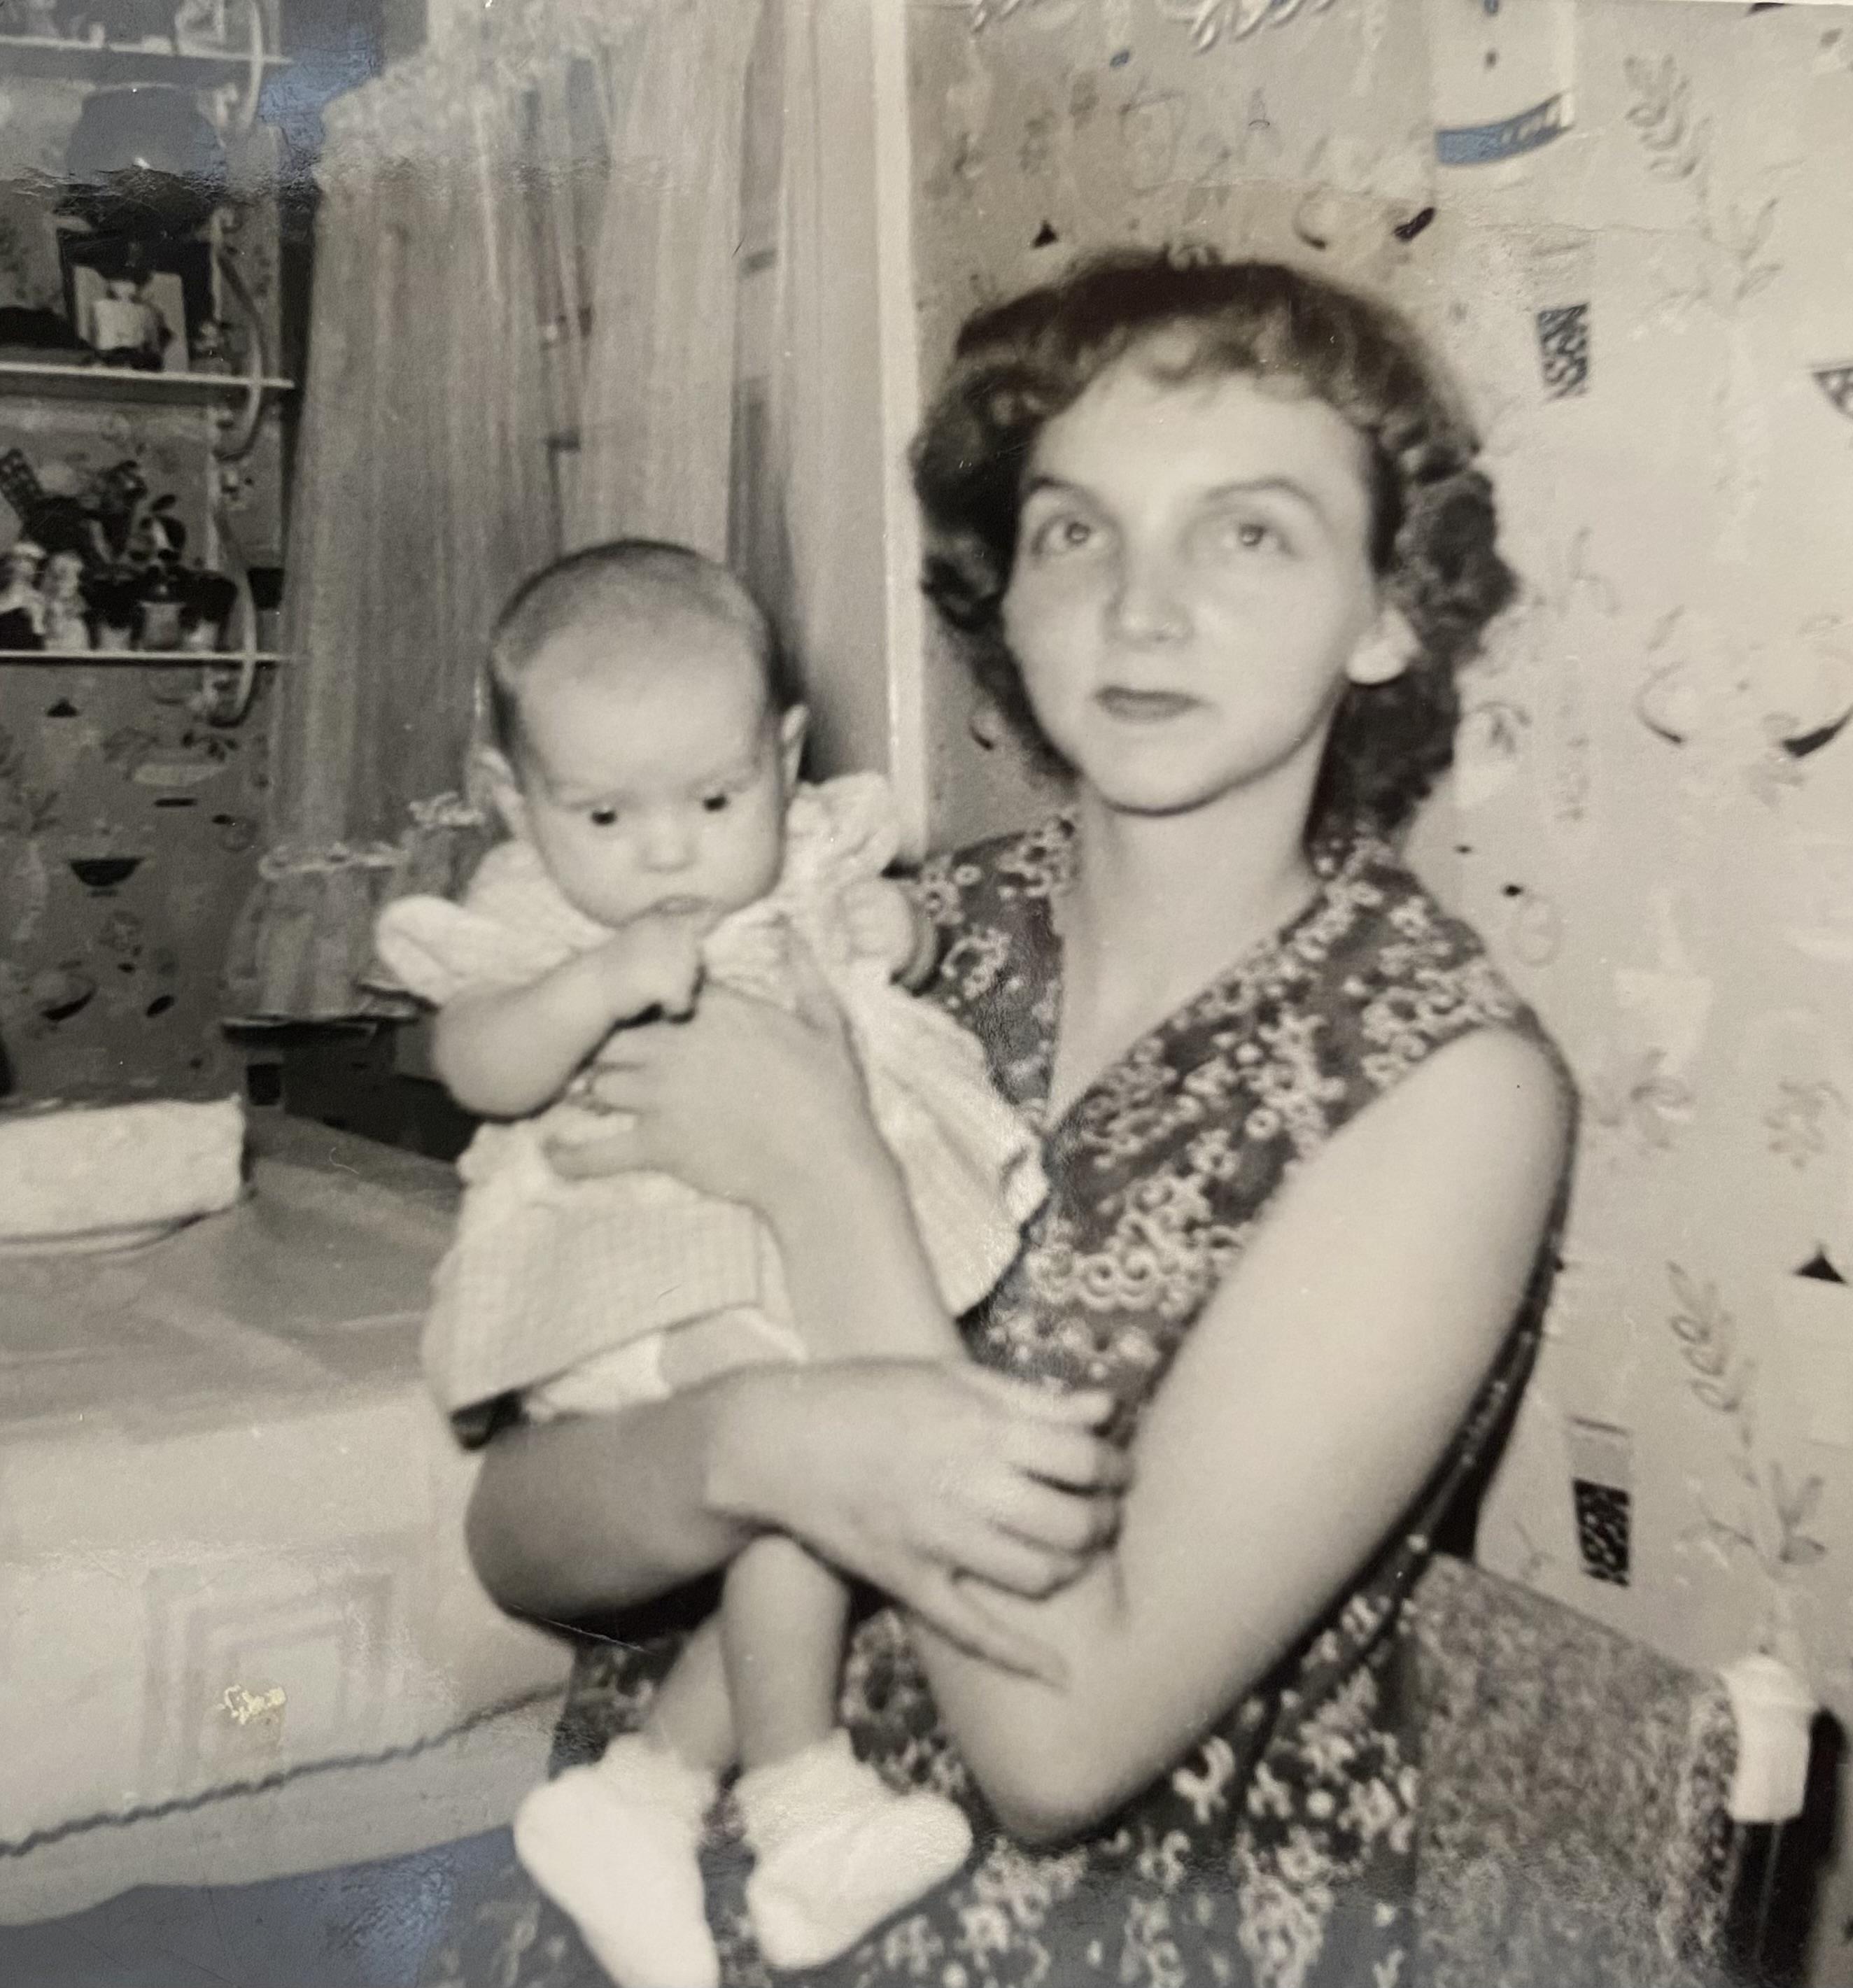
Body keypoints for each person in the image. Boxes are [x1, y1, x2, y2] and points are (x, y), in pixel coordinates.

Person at [428, 250, 1574, 1988]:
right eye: (1075, 532)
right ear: (1008, 591)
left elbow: (1061, 1749)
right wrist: (745, 1443)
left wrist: (829, 1185)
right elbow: (522, 1534)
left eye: (1249, 532)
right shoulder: (863, 931)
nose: (1141, 607)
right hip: (646, 1899)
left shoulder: (1440, 1086)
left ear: (1388, 607)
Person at [374, 541, 1054, 1987]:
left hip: (780, 1258)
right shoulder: (541, 907)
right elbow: (473, 1059)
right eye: (606, 811)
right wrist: (590, 985)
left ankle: (651, 1794)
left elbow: (876, 955)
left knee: (812, 1455)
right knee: (812, 1426)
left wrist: (904, 931)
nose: (670, 850)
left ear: (783, 754)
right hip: (619, 1286)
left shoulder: (803, 851)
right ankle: (797, 1793)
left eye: (716, 796)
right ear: (516, 800)